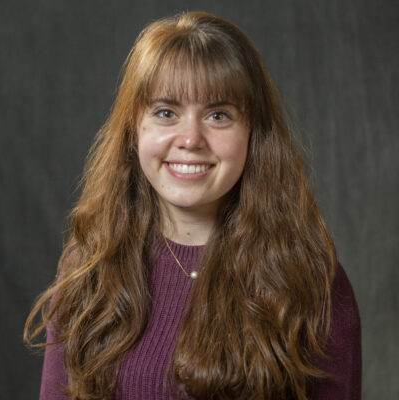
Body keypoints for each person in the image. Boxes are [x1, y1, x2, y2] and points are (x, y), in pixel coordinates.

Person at [24, 11, 361, 400]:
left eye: (218, 115)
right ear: (135, 129)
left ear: (253, 133)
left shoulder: (312, 284)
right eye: (166, 112)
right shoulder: (90, 267)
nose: (190, 139)